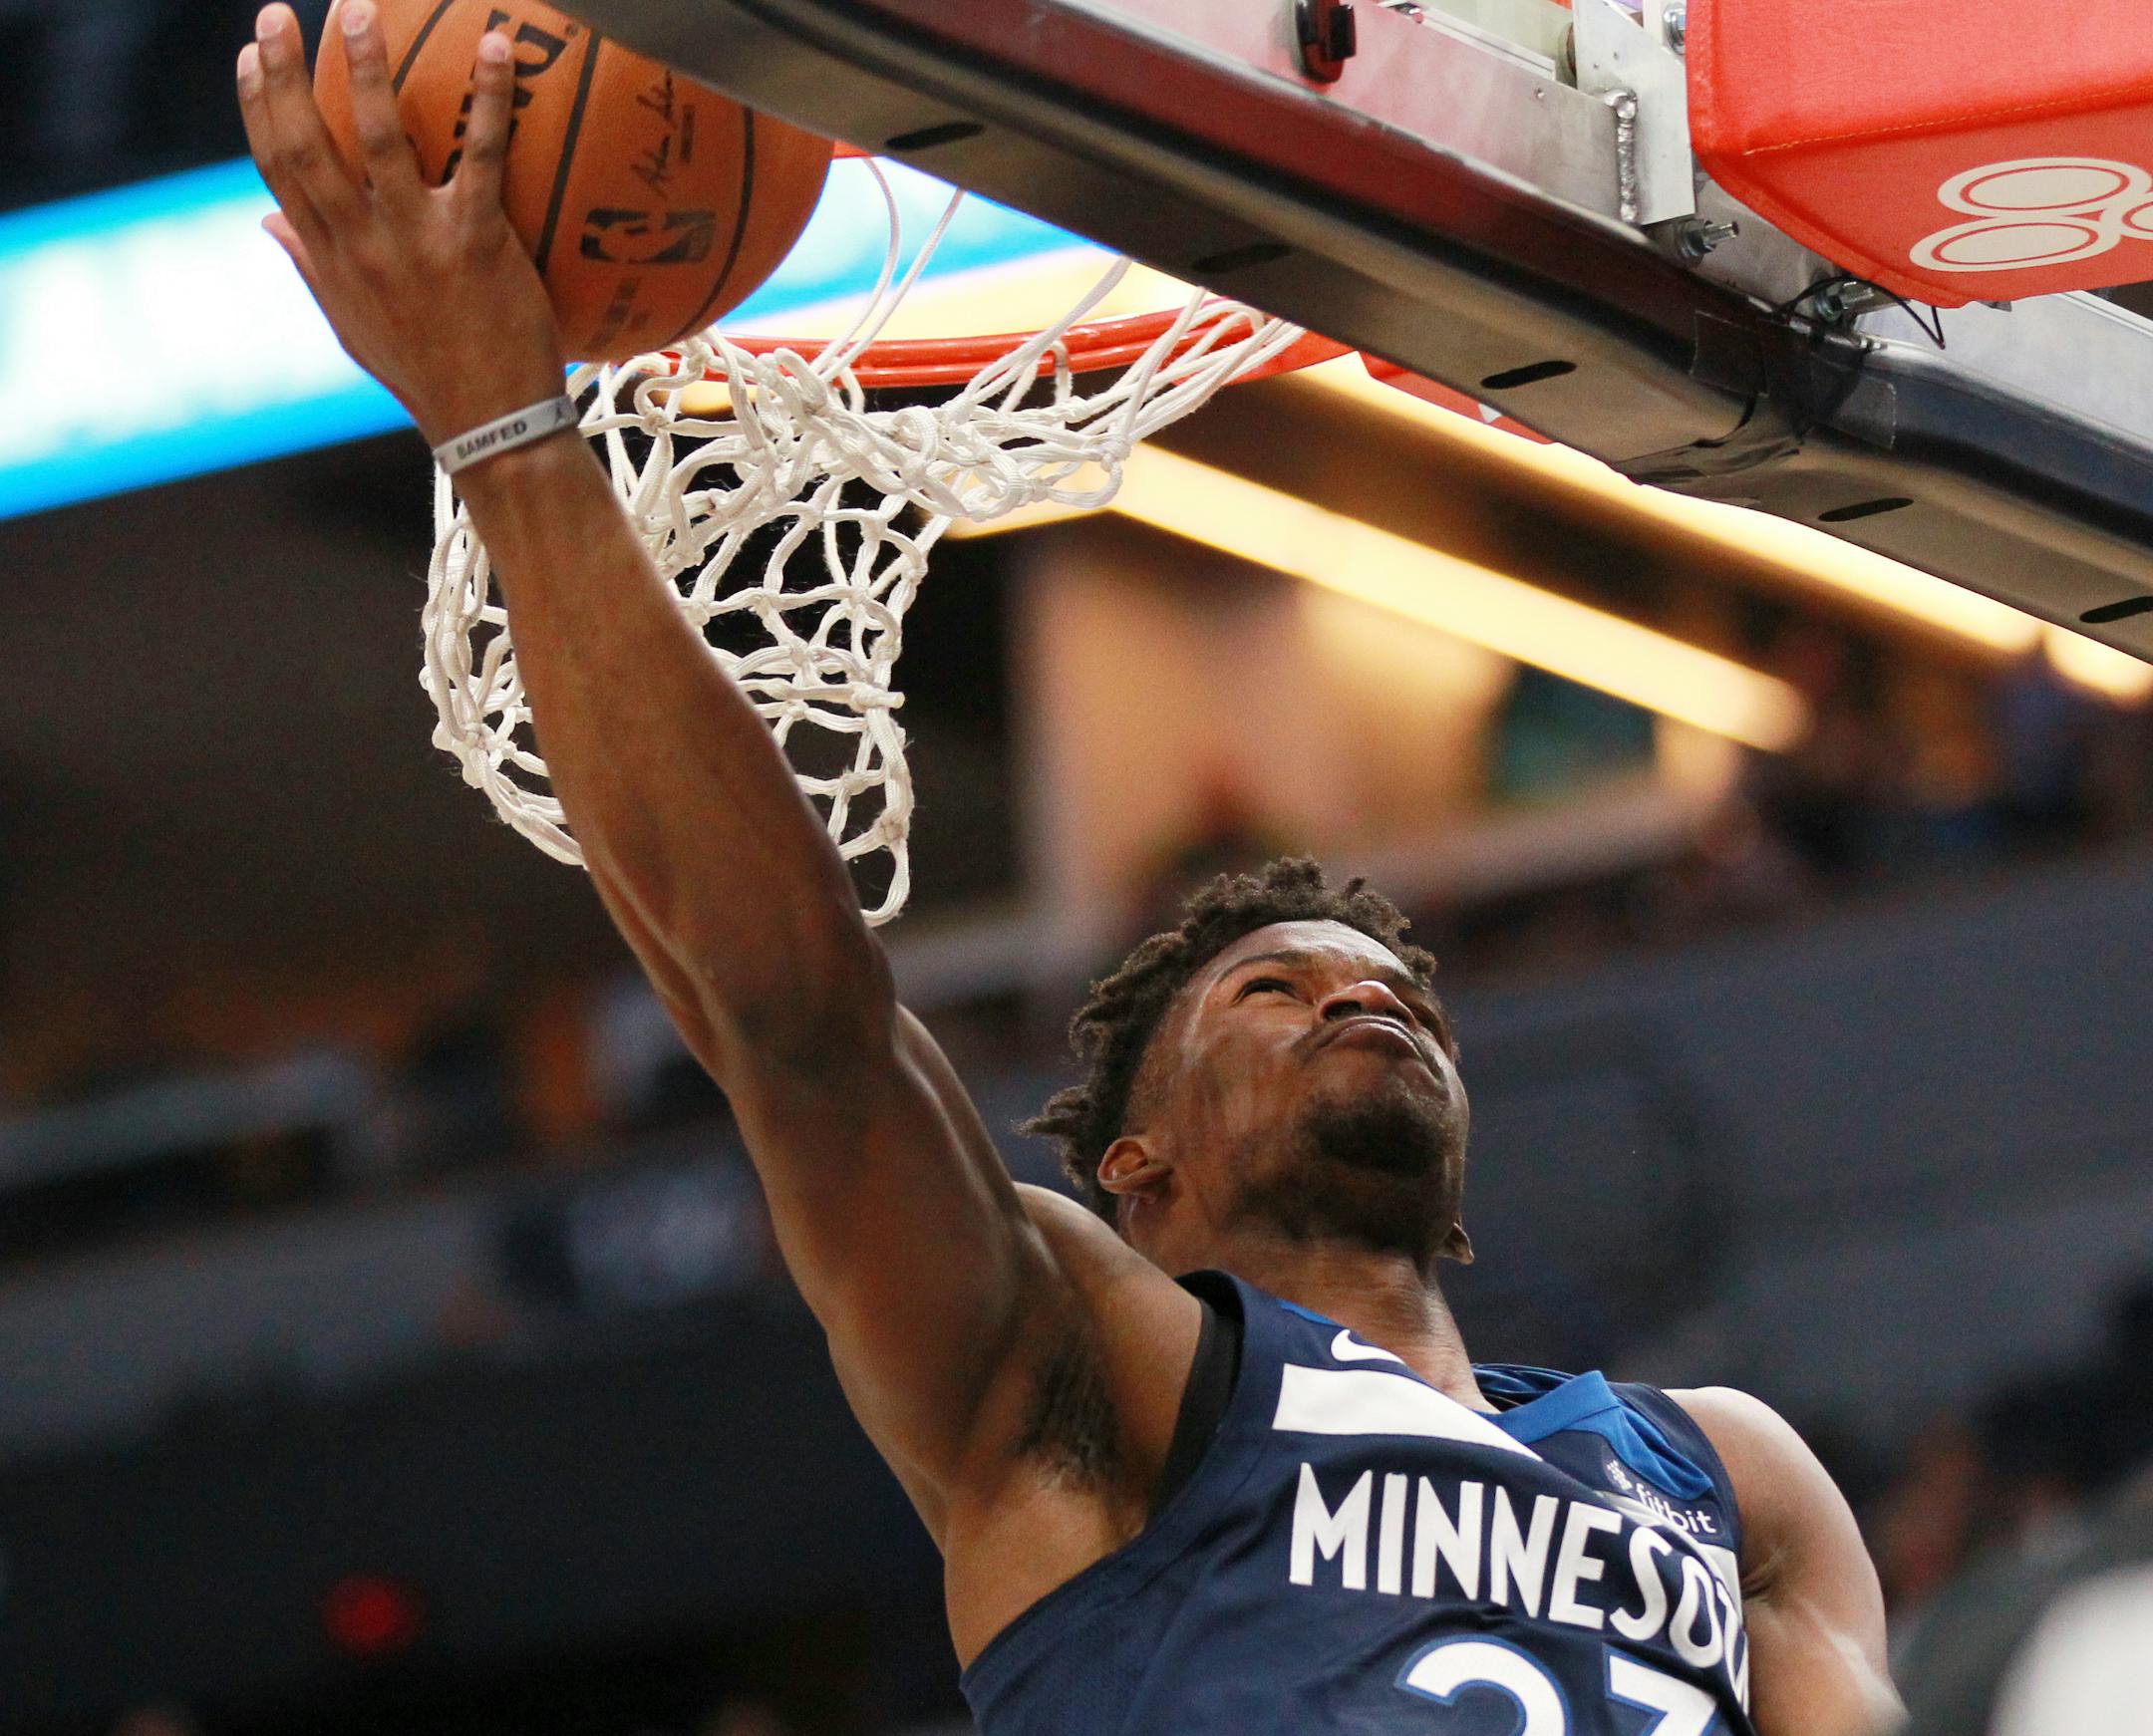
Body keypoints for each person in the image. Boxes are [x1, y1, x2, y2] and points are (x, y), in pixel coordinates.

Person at [233, 8, 1902, 1731]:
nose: (1364, 998)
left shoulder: (1728, 1476)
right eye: (1281, 987)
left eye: (1398, 992)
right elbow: (805, 1025)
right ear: (1139, 1170)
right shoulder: (1098, 1378)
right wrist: (509, 429)